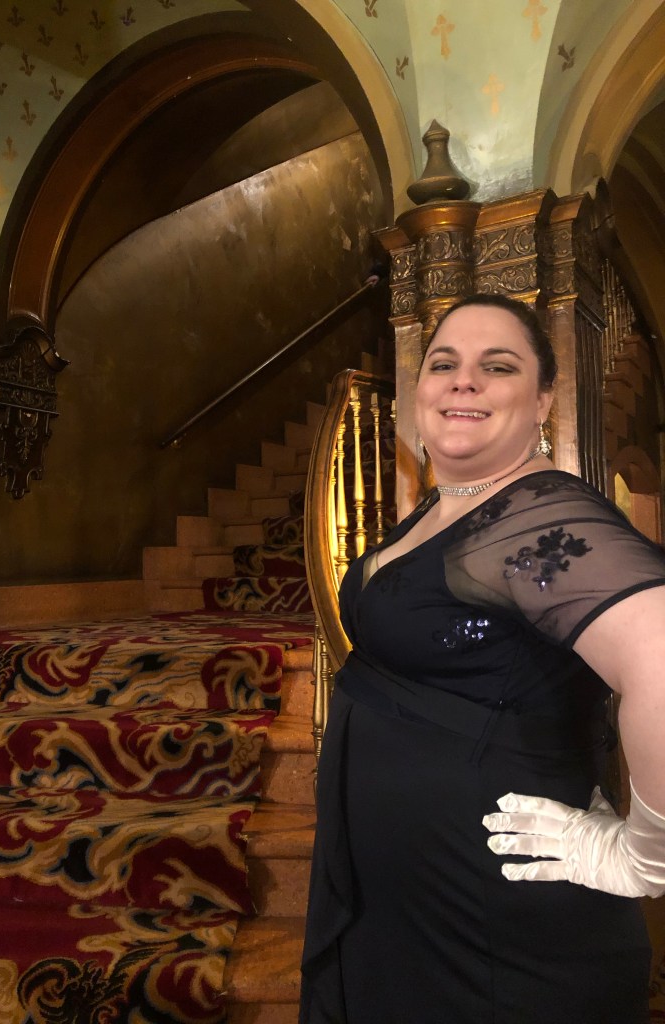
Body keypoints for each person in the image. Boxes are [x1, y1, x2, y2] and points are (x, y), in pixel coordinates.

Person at [299, 293, 665, 1024]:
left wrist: (644, 855)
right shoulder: (446, 508)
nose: (463, 380)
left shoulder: (537, 513)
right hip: (407, 902)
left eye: (497, 366)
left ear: (544, 401)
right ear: (419, 390)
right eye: (444, 363)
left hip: (490, 921)